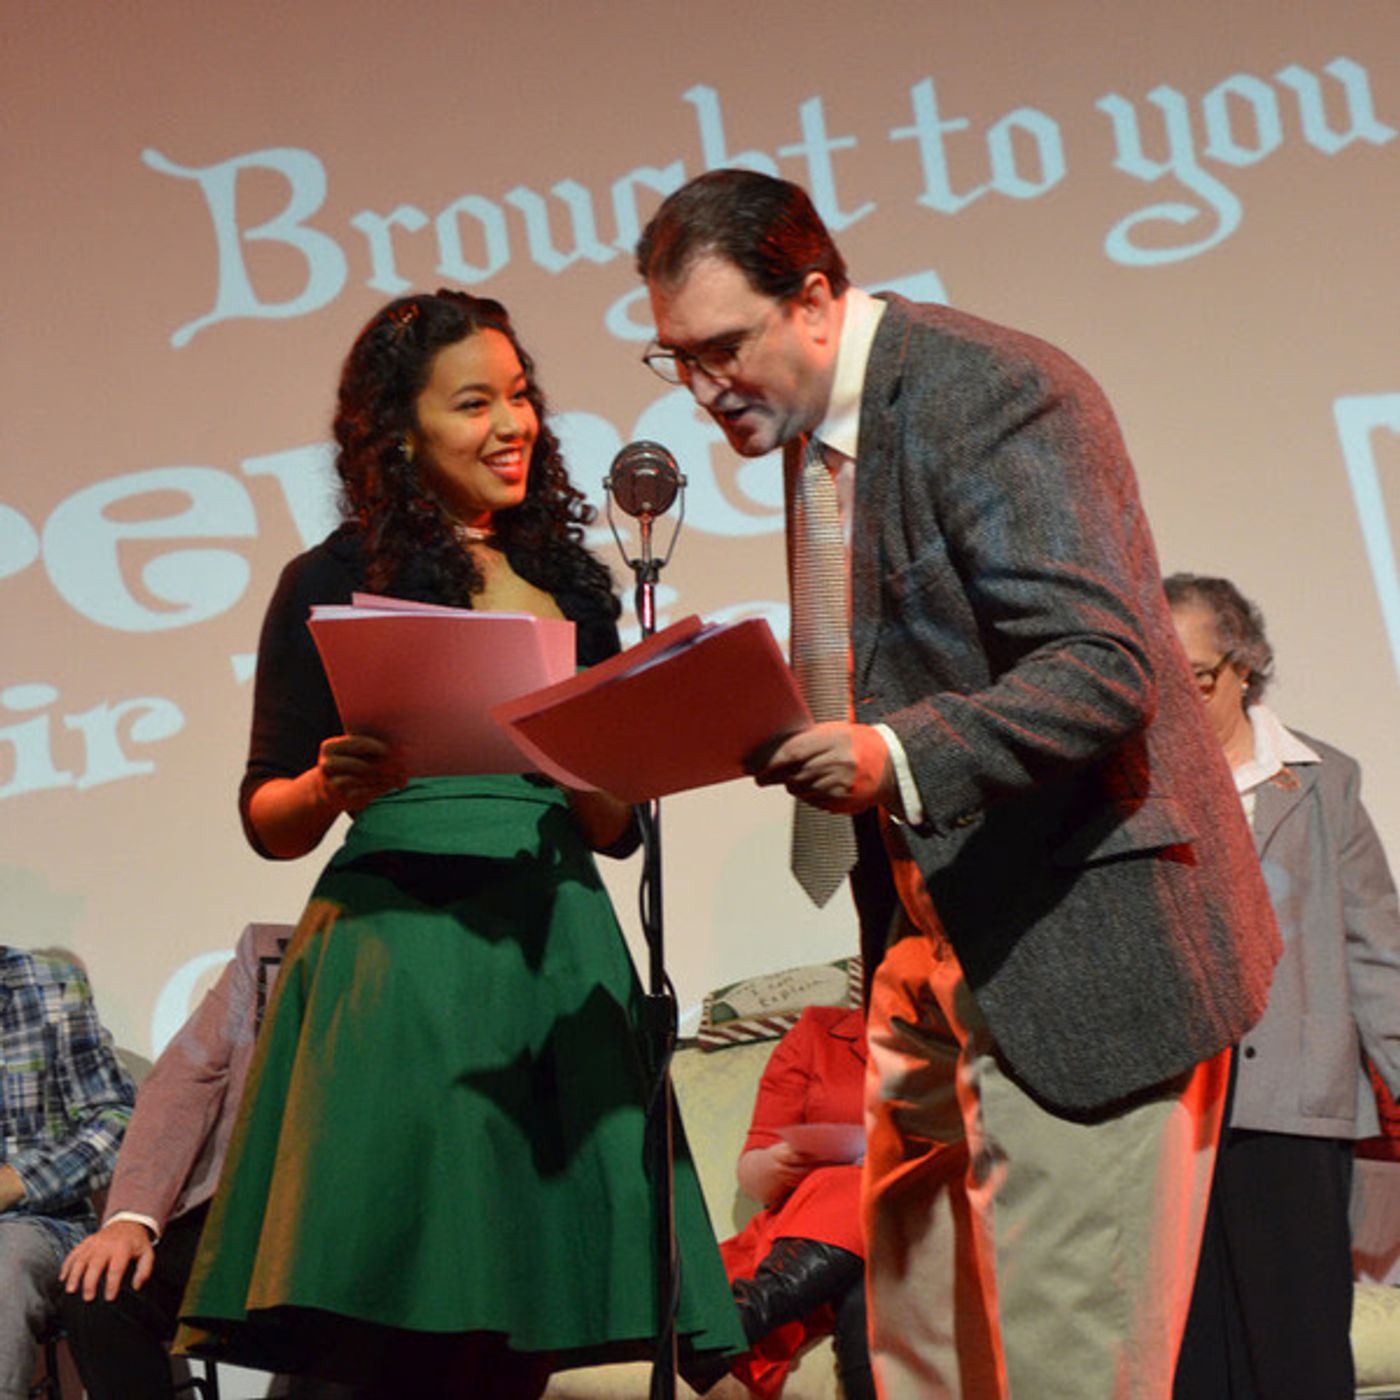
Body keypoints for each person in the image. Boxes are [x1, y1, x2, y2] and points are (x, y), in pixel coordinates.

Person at [636, 170, 1282, 1398]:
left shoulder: (982, 389)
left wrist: (891, 755)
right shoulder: (819, 425)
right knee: (924, 1365)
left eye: (723, 346)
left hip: (1079, 957)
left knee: (1060, 1371)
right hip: (932, 953)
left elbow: (1101, 666)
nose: (706, 388)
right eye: (675, 359)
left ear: (814, 297)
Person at [175, 291, 742, 1398]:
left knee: (539, 1305)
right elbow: (266, 815)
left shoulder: (579, 582)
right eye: (474, 402)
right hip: (398, 962)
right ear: (401, 432)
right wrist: (327, 781)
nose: (511, 423)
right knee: (392, 1305)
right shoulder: (330, 580)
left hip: (550, 946)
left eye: (520, 395)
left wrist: (597, 765)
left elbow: (617, 829)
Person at [1165, 573, 1400, 1400]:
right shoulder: (1130, 782)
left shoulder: (1323, 780)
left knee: (1297, 1348)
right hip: (1170, 1111)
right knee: (1191, 1358)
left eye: (1195, 678)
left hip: (1295, 1099)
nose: (1179, 703)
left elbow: (1376, 949)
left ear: (1245, 665)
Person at [58, 923, 352, 1399]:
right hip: (245, 1224)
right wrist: (131, 1220)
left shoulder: (456, 960)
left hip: (358, 1234)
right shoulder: (269, 952)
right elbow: (185, 1081)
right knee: (101, 1291)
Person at [715, 1003, 872, 1400]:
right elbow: (755, 1173)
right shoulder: (819, 1031)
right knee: (858, 1188)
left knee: (881, 1183)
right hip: (816, 1231)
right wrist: (782, 1162)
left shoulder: (963, 1030)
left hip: (925, 1225)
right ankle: (743, 1316)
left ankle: (738, 1320)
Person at [1, 945, 135, 1399]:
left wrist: (17, 1181)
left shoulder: (49, 985)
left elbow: (116, 1119)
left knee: (5, 1258)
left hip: (33, 1222)